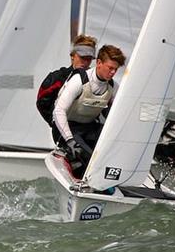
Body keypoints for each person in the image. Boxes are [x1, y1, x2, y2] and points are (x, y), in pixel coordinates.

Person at [52, 44, 126, 178]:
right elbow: (58, 111)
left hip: (88, 128)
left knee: (110, 149)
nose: (113, 73)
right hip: (66, 130)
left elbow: (119, 115)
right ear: (99, 63)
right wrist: (69, 140)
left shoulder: (113, 87)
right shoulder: (79, 80)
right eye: (110, 68)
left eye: (116, 69)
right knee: (88, 156)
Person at [36, 34, 97, 125]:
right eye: (82, 57)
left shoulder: (96, 79)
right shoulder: (58, 77)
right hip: (64, 128)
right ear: (72, 56)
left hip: (89, 129)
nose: (85, 62)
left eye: (89, 59)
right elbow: (42, 102)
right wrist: (55, 122)